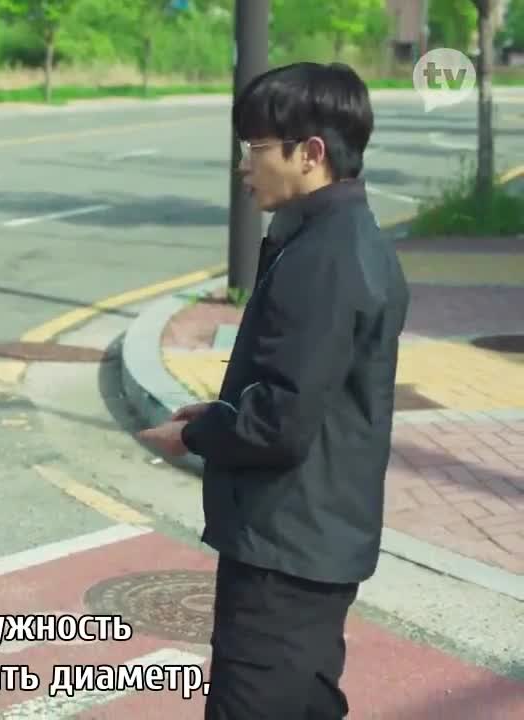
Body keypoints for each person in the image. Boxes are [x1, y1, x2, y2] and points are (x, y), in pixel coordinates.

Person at [137, 61, 410, 719]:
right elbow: (306, 389)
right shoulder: (338, 237)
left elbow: (280, 421)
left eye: (256, 147)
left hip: (286, 550)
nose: (244, 165)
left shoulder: (323, 257)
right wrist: (220, 411)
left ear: (310, 154)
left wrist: (195, 435)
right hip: (312, 538)